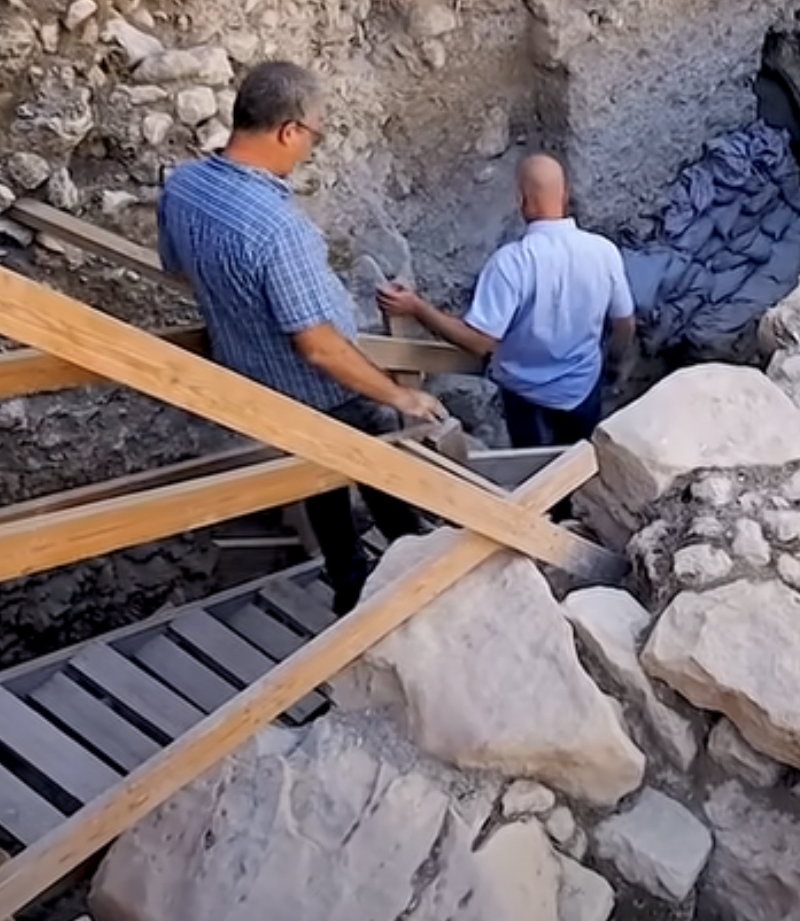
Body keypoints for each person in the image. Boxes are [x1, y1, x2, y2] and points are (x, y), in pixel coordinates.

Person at [156, 60, 447, 615]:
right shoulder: (276, 228)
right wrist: (400, 394)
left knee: (318, 482)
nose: (311, 147)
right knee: (388, 478)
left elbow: (176, 267)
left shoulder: (185, 186)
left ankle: (349, 585)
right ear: (288, 130)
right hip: (323, 389)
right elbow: (317, 345)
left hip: (256, 384)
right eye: (314, 133)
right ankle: (424, 585)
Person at [378, 154, 635, 457]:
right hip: (583, 387)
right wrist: (614, 366)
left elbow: (479, 342)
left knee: (534, 473)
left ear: (520, 199)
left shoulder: (511, 263)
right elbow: (624, 324)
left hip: (526, 395)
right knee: (580, 467)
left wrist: (418, 308)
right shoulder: (603, 252)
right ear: (565, 194)